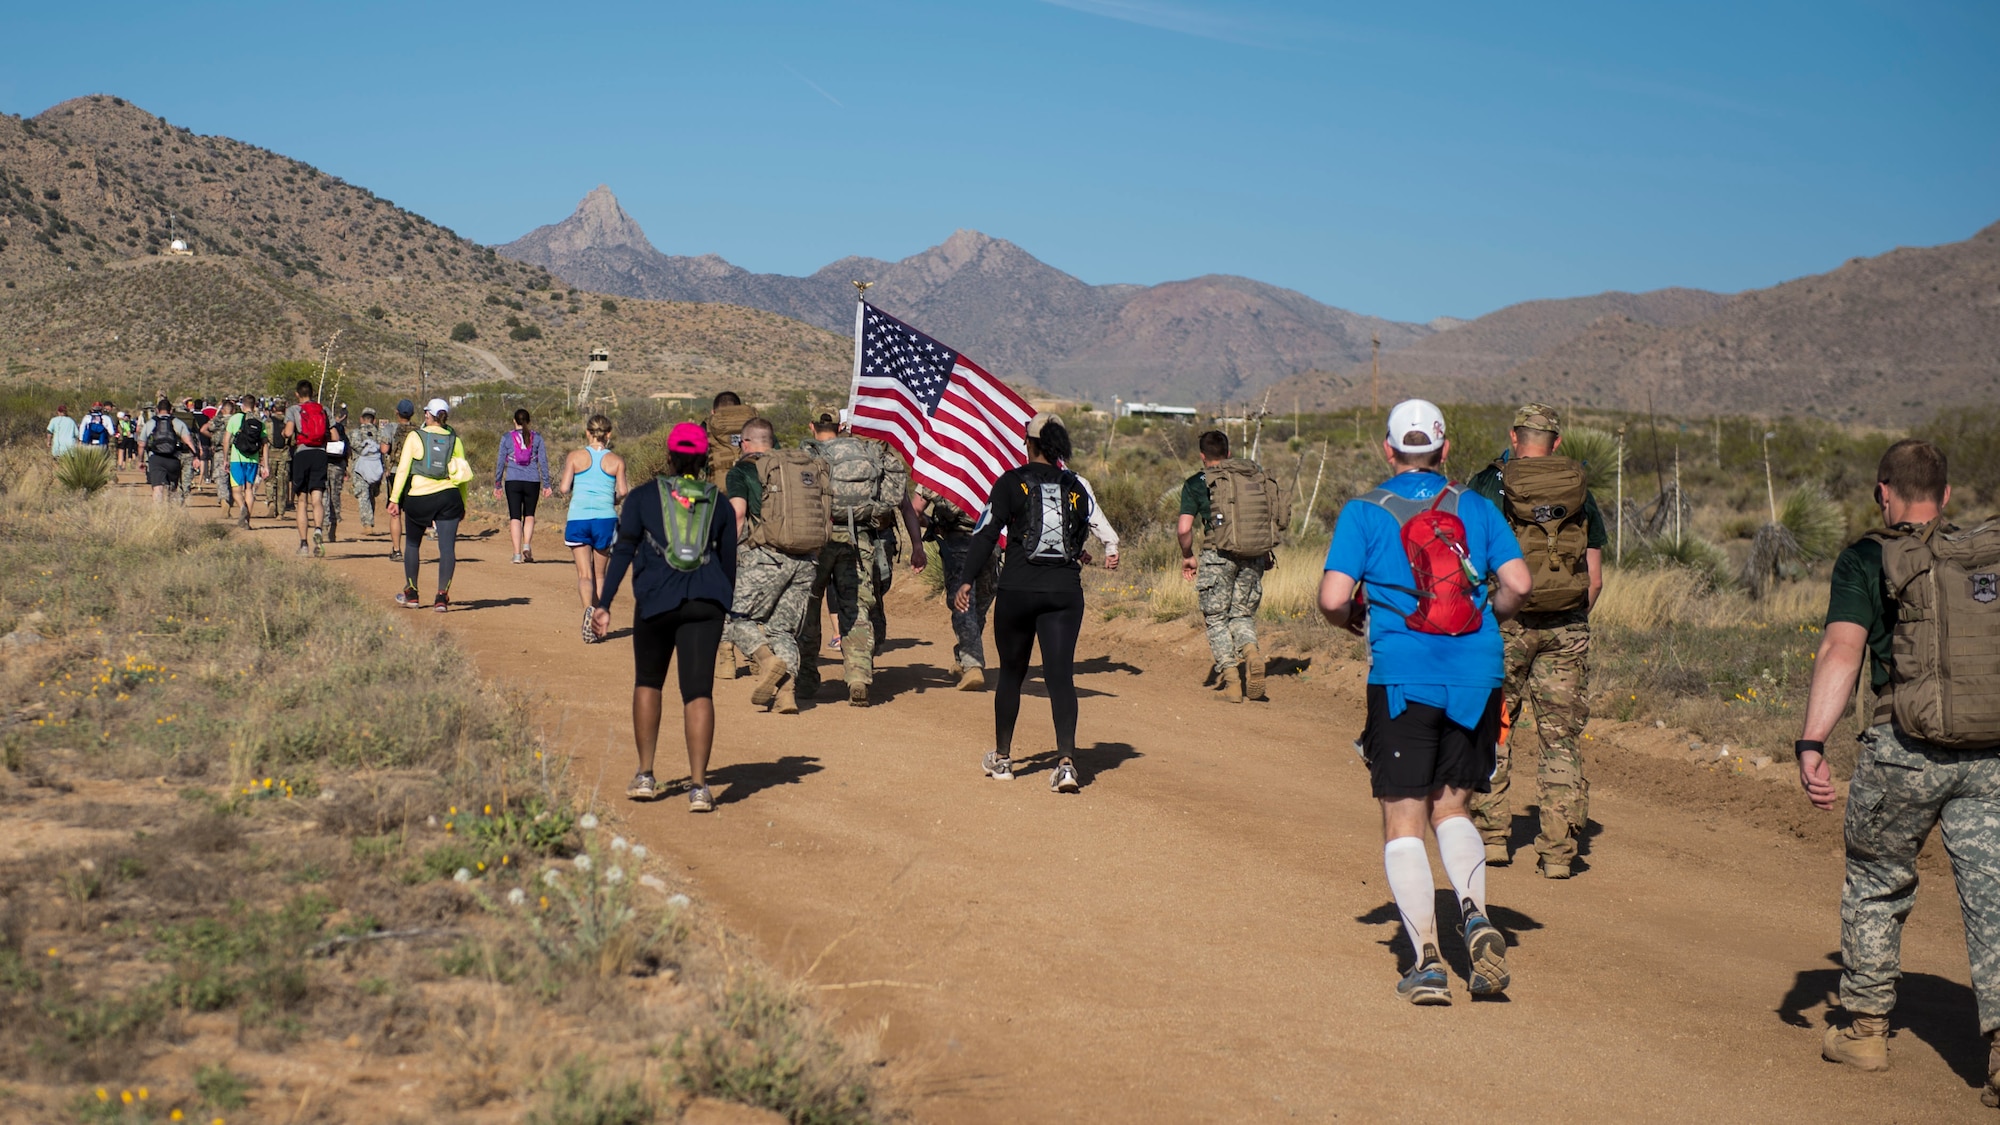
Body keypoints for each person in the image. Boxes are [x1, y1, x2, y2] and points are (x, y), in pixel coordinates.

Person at [1796, 438, 2000, 1098]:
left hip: (1901, 750)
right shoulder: (1981, 556)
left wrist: (1812, 741)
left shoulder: (1866, 556)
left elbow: (1841, 649)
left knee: (1879, 879)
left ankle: (1863, 1031)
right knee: (1994, 895)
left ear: (1883, 491)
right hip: (1986, 751)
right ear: (1945, 496)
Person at [1316, 399, 1532, 1005]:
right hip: (1476, 675)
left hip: (1404, 676)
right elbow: (1518, 584)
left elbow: (1333, 597)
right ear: (1445, 450)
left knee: (1403, 816)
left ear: (1388, 450)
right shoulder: (1479, 508)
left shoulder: (1364, 512)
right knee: (1453, 809)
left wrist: (1358, 620)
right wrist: (1491, 620)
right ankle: (1475, 913)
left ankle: (1429, 961)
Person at [1465, 404, 1608, 875]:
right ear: (1557, 442)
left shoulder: (1489, 484)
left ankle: (1492, 838)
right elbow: (1595, 579)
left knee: (1494, 727)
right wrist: (1570, 616)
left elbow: (1465, 562)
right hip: (1567, 626)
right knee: (1560, 739)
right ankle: (1558, 853)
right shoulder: (1577, 486)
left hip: (1503, 623)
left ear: (1514, 435)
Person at [592, 423, 738, 812]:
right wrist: (724, 604)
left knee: (649, 682)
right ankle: (700, 788)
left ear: (669, 458)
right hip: (706, 602)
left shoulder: (642, 498)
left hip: (656, 601)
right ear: (704, 460)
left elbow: (622, 550)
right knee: (698, 692)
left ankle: (645, 775)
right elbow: (728, 563)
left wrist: (603, 603)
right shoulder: (718, 501)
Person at [954, 413, 1094, 793]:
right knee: (1060, 676)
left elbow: (985, 534)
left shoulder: (1011, 482)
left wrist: (966, 579)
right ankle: (1066, 765)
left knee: (1012, 675)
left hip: (1017, 589)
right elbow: (1080, 537)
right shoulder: (1077, 486)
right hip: (1064, 593)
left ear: (1028, 443)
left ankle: (1002, 759)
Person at [797, 412, 908, 706]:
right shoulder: (865, 451)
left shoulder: (808, 453)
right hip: (859, 539)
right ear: (841, 426)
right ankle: (858, 675)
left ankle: (806, 679)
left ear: (813, 427)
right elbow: (891, 494)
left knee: (808, 607)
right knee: (856, 608)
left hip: (817, 539)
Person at [723, 418, 830, 715]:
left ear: (745, 443)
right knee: (782, 629)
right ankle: (786, 695)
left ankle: (766, 659)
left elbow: (738, 514)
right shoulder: (799, 468)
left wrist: (727, 558)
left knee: (737, 616)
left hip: (767, 556)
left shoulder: (743, 470)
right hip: (806, 559)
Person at [1178, 430, 1289, 703]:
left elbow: (1184, 529)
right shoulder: (1252, 476)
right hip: (1253, 554)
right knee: (1242, 615)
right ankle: (1252, 653)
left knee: (1216, 618)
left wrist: (1188, 555)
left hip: (1217, 555)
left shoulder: (1196, 483)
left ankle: (1232, 683)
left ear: (1203, 456)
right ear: (1227, 453)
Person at [386, 399, 473, 611]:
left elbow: (404, 469)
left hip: (419, 498)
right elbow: (461, 475)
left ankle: (412, 593)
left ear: (428, 415)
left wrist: (395, 498)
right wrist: (462, 503)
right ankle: (441, 597)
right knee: (447, 549)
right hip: (449, 497)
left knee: (413, 545)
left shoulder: (415, 437)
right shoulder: (455, 440)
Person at [558, 414, 630, 642]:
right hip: (605, 519)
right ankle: (597, 619)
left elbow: (563, 488)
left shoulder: (574, 457)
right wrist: (614, 499)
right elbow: (624, 491)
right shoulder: (617, 461)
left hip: (578, 517)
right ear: (608, 434)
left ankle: (587, 609)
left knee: (584, 574)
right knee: (600, 574)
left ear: (588, 433)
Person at [920, 483, 999, 691]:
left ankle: (972, 666)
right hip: (991, 545)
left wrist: (931, 523)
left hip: (958, 545)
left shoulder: (939, 470)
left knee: (963, 606)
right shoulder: (993, 467)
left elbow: (917, 510)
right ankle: (963, 659)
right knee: (979, 607)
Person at [494, 408, 553, 564]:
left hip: (513, 480)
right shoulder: (537, 438)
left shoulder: (506, 437)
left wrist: (497, 483)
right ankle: (526, 545)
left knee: (515, 516)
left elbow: (500, 462)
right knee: (529, 515)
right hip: (532, 480)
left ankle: (517, 554)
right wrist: (547, 483)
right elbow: (543, 462)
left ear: (514, 421)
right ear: (528, 421)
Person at [283, 380, 332, 557]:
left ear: (297, 394)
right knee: (317, 499)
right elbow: (333, 435)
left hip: (302, 454)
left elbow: (288, 432)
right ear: (312, 393)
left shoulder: (294, 410)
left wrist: (285, 433)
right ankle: (318, 529)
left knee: (302, 501)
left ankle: (303, 544)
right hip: (320, 454)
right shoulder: (323, 410)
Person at [222, 397, 268, 529]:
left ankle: (242, 507)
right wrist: (265, 464)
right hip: (252, 460)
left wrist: (225, 458)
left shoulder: (235, 418)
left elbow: (226, 440)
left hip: (237, 459)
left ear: (242, 405)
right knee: (249, 490)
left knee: (236, 490)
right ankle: (246, 521)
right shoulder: (260, 421)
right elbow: (265, 444)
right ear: (254, 406)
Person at [141, 400, 195, 505]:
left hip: (156, 458)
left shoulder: (151, 422)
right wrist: (196, 454)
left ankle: (158, 511)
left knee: (158, 487)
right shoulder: (177, 422)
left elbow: (141, 443)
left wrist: (140, 460)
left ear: (157, 410)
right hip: (173, 458)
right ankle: (172, 508)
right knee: (173, 486)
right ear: (171, 410)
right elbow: (188, 440)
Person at [348, 406, 390, 539]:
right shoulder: (381, 434)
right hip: (376, 469)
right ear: (375, 420)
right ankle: (370, 522)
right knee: (371, 495)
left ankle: (367, 524)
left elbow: (353, 448)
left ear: (361, 419)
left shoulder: (355, 433)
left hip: (360, 469)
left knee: (363, 496)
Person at [385, 399, 419, 562]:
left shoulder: (391, 428)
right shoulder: (419, 430)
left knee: (395, 513)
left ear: (396, 412)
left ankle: (397, 550)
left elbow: (384, 449)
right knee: (412, 513)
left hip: (395, 472)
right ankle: (413, 550)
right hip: (414, 474)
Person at [322, 403, 351, 544]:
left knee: (322, 496)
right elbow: (347, 447)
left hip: (322, 464)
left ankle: (323, 526)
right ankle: (333, 527)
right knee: (335, 496)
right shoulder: (338, 428)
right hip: (338, 465)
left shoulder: (319, 427)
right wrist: (345, 467)